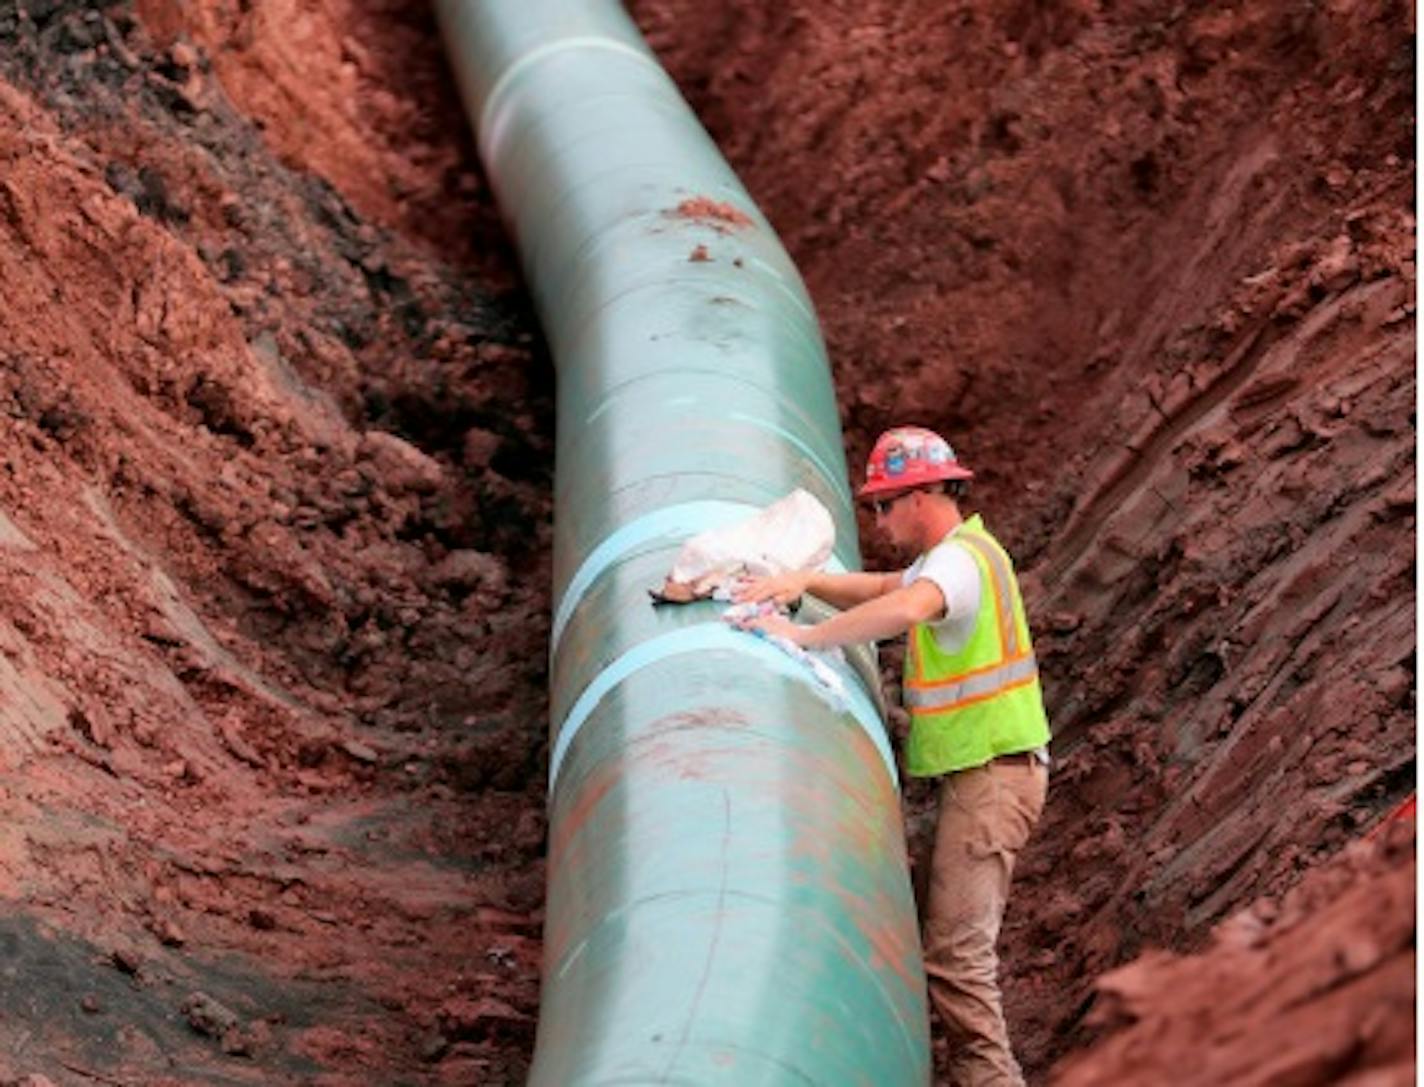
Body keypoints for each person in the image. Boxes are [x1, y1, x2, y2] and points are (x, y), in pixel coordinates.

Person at [733, 425, 1050, 1087]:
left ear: (922, 496)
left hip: (992, 779)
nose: (877, 519)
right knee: (952, 951)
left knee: (959, 960)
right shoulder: (960, 555)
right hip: (981, 775)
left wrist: (805, 634)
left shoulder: (957, 564)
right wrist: (806, 580)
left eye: (884, 504)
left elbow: (906, 605)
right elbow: (883, 587)